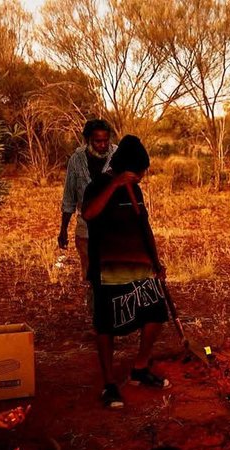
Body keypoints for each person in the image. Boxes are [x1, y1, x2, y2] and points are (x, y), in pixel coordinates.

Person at [82, 135, 171, 409]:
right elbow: (88, 214)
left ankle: (140, 368)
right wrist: (115, 185)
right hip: (107, 269)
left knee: (156, 313)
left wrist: (156, 261)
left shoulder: (137, 191)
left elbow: (144, 225)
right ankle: (109, 384)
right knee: (106, 325)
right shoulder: (98, 185)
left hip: (140, 266)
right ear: (126, 169)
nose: (142, 177)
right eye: (139, 171)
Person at [58, 119, 116, 312]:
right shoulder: (77, 160)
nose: (102, 145)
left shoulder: (117, 156)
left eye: (105, 140)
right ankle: (97, 317)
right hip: (86, 226)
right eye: (97, 141)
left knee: (113, 272)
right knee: (92, 274)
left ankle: (112, 314)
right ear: (88, 140)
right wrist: (63, 230)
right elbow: (69, 197)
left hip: (112, 225)